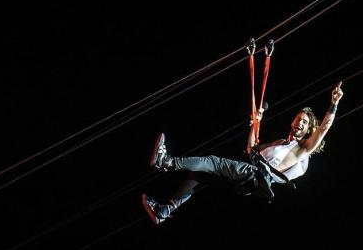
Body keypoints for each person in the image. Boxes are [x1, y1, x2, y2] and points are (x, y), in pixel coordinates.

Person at [142, 82, 344, 224]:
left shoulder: (302, 150)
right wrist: (255, 124)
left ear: (308, 129)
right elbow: (251, 150)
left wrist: (333, 104)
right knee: (200, 174)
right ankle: (165, 210)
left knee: (212, 162)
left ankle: (167, 162)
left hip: (255, 177)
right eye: (298, 118)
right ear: (292, 122)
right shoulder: (280, 142)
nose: (300, 122)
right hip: (247, 173)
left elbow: (324, 128)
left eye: (304, 122)